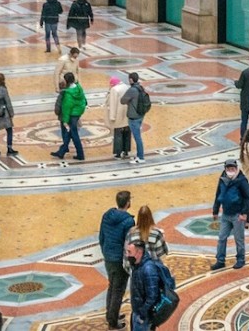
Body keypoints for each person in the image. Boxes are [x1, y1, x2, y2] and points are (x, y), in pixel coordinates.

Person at [98, 190, 135, 329]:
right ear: (128, 203)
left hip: (108, 256)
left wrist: (105, 251)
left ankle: (111, 314)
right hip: (119, 259)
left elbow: (101, 236)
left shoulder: (106, 215)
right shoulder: (129, 221)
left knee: (112, 286)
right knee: (118, 290)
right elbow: (129, 242)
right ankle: (113, 321)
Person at [211, 158, 249, 270]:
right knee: (221, 237)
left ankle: (241, 259)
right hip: (226, 214)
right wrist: (215, 210)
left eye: (232, 168)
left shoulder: (242, 180)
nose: (230, 170)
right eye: (228, 168)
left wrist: (244, 213)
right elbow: (218, 194)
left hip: (238, 215)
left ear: (236, 168)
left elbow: (248, 198)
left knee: (239, 239)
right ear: (225, 169)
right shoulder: (223, 179)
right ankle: (220, 260)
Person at [54, 72, 88, 161]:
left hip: (72, 114)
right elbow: (84, 99)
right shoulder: (78, 87)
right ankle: (62, 151)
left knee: (73, 133)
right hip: (78, 112)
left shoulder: (68, 94)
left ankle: (80, 154)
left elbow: (66, 108)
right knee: (70, 134)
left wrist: (65, 120)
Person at [124, 72, 150, 163]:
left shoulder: (132, 90)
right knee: (138, 136)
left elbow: (122, 100)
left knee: (137, 137)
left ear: (131, 79)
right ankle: (139, 155)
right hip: (140, 115)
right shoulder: (140, 88)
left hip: (133, 117)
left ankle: (141, 157)